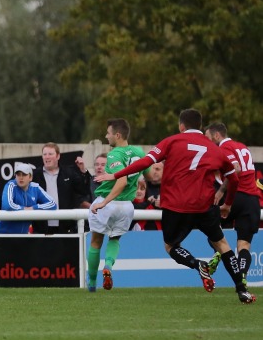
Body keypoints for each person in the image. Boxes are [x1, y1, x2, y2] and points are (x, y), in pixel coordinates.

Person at [96, 108, 256, 304]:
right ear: (200, 126)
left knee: (170, 246)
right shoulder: (215, 149)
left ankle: (197, 265)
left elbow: (146, 161)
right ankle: (242, 290)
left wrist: (115, 174)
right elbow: (234, 179)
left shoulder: (171, 141)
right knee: (222, 244)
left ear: (181, 125)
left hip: (175, 206)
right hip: (205, 206)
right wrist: (228, 203)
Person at [86, 119, 146, 291]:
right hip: (127, 206)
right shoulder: (139, 152)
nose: (106, 136)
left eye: (108, 133)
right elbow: (148, 173)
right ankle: (109, 266)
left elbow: (121, 181)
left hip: (109, 201)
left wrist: (104, 202)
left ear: (117, 135)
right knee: (115, 238)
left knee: (96, 242)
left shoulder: (114, 154)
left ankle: (91, 283)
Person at [204, 122, 260, 285]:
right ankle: (242, 276)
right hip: (252, 200)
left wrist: (221, 191)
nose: (207, 142)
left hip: (236, 196)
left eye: (208, 138)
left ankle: (219, 252)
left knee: (209, 225)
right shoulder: (241, 146)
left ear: (216, 136)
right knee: (244, 244)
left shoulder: (224, 147)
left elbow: (235, 169)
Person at [32, 142, 91, 234]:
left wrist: (83, 171)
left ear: (58, 156)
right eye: (45, 154)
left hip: (65, 227)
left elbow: (84, 190)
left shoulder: (69, 173)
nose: (47, 157)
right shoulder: (35, 175)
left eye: (50, 154)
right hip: (41, 228)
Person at [0, 162, 56, 234]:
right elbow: (7, 206)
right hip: (5, 235)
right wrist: (24, 209)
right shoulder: (10, 185)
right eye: (18, 174)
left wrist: (34, 208)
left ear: (30, 177)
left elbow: (53, 204)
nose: (21, 177)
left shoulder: (35, 188)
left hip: (24, 236)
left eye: (24, 174)